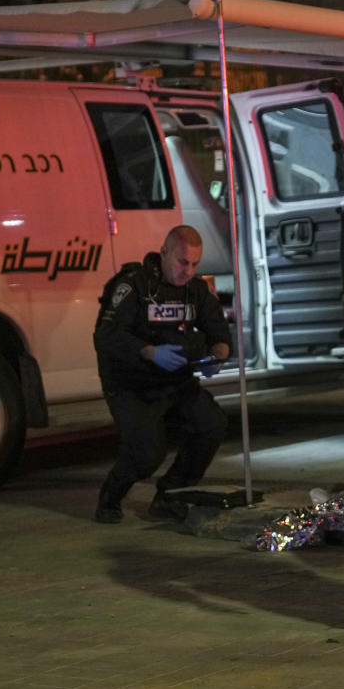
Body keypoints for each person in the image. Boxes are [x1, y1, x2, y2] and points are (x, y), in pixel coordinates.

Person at [92, 225, 231, 524]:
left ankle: (169, 496)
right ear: (165, 252)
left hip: (176, 380)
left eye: (195, 264)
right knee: (146, 455)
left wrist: (217, 356)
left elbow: (219, 332)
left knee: (211, 425)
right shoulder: (133, 286)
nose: (188, 271)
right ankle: (110, 498)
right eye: (183, 262)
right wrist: (149, 352)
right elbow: (107, 336)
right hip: (132, 384)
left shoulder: (195, 291)